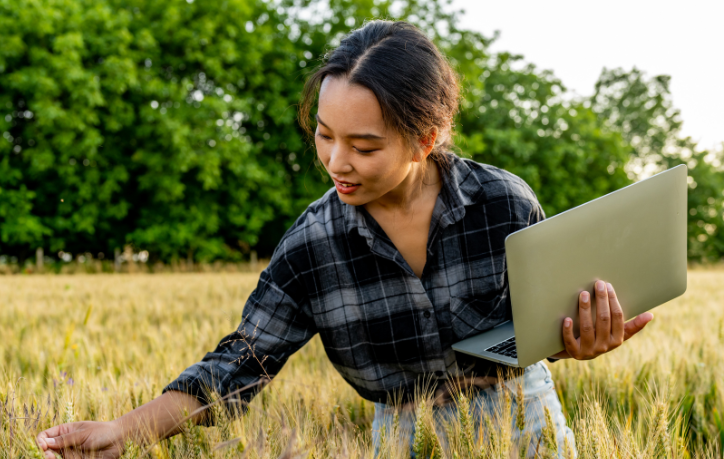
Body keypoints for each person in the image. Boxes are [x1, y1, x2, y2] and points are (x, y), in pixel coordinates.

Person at [36, 20, 654, 459]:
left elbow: (536, 326)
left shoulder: (504, 202)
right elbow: (241, 363)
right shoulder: (311, 245)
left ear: (429, 135)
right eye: (324, 134)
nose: (337, 161)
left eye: (364, 146)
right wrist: (124, 430)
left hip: (523, 423)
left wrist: (575, 341)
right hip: (401, 436)